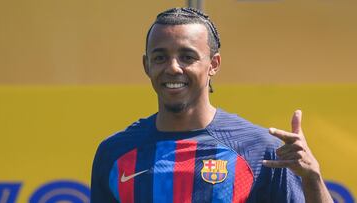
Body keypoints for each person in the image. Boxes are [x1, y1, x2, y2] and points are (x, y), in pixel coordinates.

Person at [91, 7, 333, 203]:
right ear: (147, 65)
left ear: (214, 64)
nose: (173, 67)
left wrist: (313, 178)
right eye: (160, 57)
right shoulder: (113, 153)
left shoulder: (262, 151)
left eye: (187, 57)